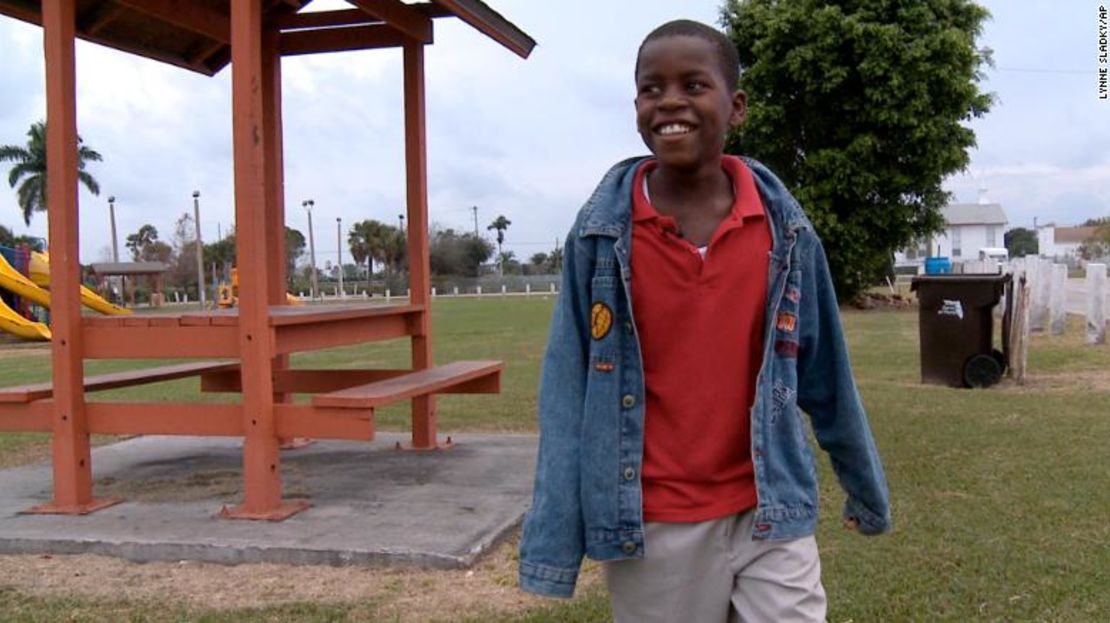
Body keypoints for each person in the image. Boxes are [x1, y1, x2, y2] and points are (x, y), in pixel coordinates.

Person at [518, 18, 891, 622]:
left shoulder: (785, 234)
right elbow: (567, 392)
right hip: (655, 521)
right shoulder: (600, 238)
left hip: (770, 510)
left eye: (693, 85)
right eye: (650, 88)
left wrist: (863, 486)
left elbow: (826, 374)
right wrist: (556, 535)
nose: (669, 101)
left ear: (736, 106)